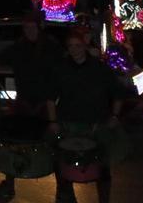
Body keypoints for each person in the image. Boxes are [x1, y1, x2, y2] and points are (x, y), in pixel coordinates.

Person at [0, 10, 62, 200]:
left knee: (54, 145)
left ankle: (64, 190)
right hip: (24, 102)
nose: (29, 30)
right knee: (13, 143)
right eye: (26, 27)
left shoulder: (52, 48)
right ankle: (9, 184)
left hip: (47, 104)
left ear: (40, 27)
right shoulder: (19, 47)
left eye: (32, 27)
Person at [47, 28, 125, 203]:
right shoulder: (61, 68)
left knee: (102, 168)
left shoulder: (100, 68)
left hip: (96, 124)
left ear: (84, 46)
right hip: (68, 123)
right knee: (63, 165)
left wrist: (114, 116)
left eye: (78, 45)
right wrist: (52, 121)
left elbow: (118, 93)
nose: (75, 49)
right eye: (71, 46)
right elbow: (50, 98)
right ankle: (66, 198)